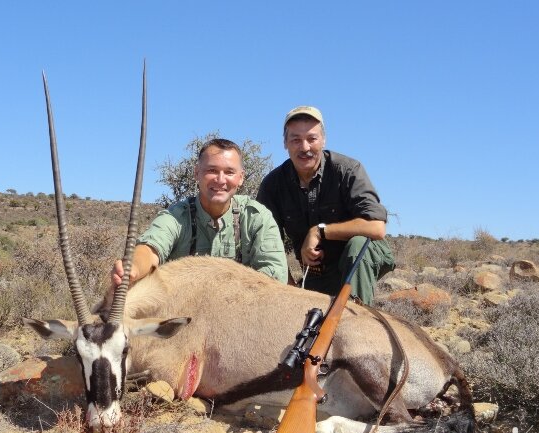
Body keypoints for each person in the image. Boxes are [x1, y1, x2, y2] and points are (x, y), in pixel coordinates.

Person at [257, 106, 394, 305]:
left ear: (323, 140)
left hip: (364, 254)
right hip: (318, 270)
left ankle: (359, 316)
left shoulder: (348, 170)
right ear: (285, 143)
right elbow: (266, 244)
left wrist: (319, 231)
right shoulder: (273, 184)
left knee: (357, 247)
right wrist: (288, 285)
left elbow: (376, 227)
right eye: (296, 139)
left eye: (312, 139)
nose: (304, 147)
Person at [112, 138, 288, 286]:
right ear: (197, 173)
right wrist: (133, 267)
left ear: (241, 178)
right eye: (212, 170)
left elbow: (274, 275)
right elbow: (150, 250)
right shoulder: (176, 216)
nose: (220, 180)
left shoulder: (257, 217)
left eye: (229, 172)